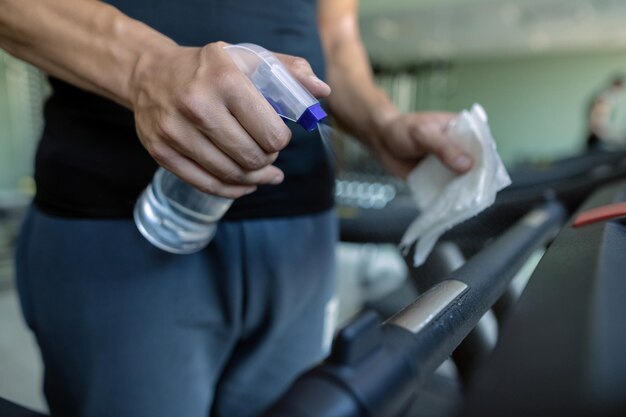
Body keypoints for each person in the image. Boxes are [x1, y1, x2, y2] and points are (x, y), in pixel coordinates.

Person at [0, 1, 473, 416]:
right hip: (117, 221)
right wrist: (147, 67)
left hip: (300, 236)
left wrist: (382, 121)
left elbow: (334, 34)